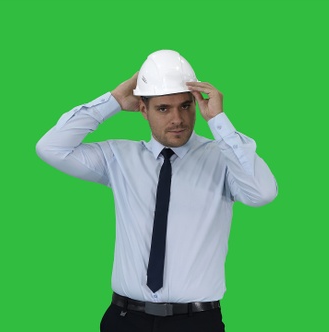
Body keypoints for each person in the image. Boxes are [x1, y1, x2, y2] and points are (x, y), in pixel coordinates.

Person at [36, 50, 278, 332]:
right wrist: (112, 102)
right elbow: (51, 148)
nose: (177, 118)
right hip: (125, 319)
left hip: (196, 322)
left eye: (185, 106)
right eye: (163, 108)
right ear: (143, 109)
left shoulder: (223, 158)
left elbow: (263, 193)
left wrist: (219, 122)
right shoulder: (119, 157)